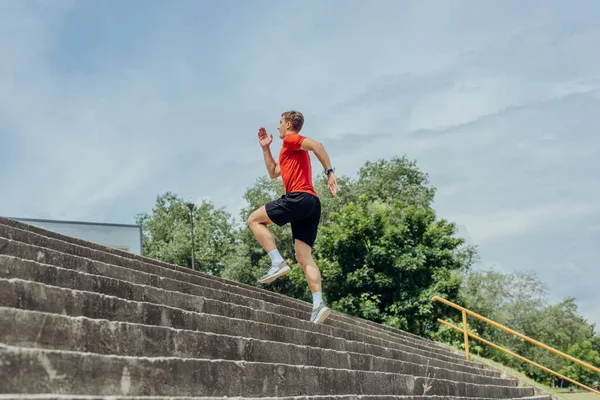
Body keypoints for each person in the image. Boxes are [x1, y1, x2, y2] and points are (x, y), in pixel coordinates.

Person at [247, 110, 338, 324]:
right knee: (303, 256)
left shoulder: (290, 140)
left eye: (279, 122)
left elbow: (318, 146)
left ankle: (277, 262)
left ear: (288, 124)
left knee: (254, 219)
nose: (277, 126)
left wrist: (330, 172)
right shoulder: (290, 150)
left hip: (299, 197)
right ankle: (318, 305)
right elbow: (273, 172)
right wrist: (266, 147)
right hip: (312, 204)